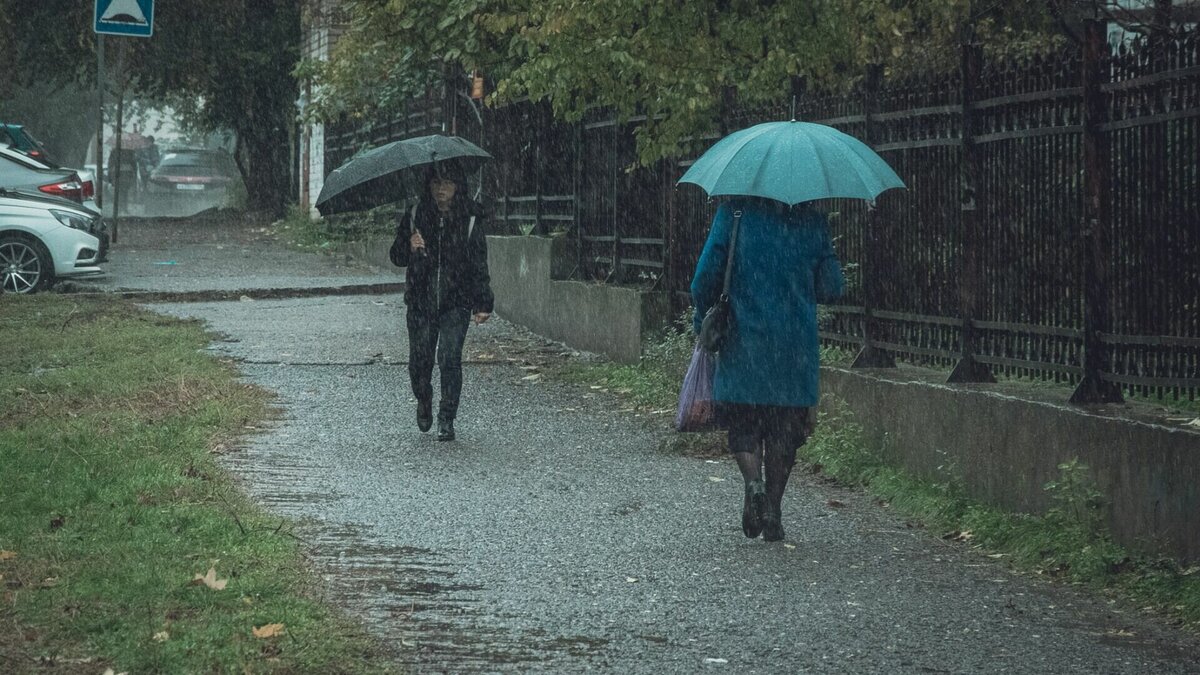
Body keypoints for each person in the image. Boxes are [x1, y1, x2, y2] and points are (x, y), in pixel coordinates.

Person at [690, 198, 844, 541]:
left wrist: (704, 319)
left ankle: (753, 483)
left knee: (744, 424)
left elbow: (703, 280)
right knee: (784, 430)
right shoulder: (812, 222)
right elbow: (832, 288)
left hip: (745, 342)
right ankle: (772, 507)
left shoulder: (735, 214)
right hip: (793, 349)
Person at [390, 163, 494, 441]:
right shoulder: (415, 215)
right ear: (428, 186)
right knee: (419, 361)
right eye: (436, 183)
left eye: (447, 183)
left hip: (456, 302)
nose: (441, 189)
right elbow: (396, 257)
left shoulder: (469, 219)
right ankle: (423, 398)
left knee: (449, 358)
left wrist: (483, 302)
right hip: (420, 302)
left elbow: (478, 263)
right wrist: (408, 245)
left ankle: (447, 417)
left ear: (458, 186)